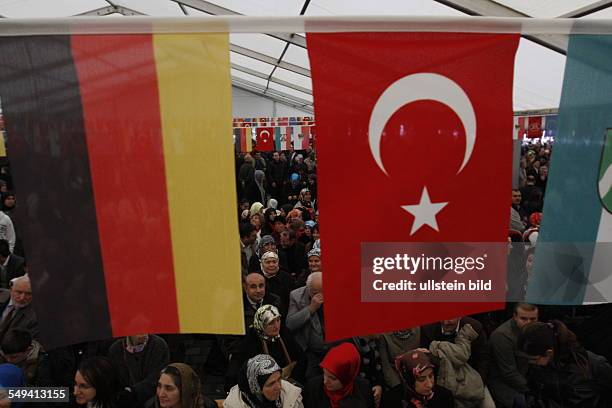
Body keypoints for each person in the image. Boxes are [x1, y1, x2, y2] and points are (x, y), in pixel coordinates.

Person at [517, 321, 612, 408]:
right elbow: (532, 392)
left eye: (533, 359)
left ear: (549, 353)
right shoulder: (538, 366)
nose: (529, 362)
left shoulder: (593, 364)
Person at [226, 305, 304, 389]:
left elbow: (301, 359)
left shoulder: (284, 334)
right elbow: (238, 372)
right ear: (261, 324)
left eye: (278, 320)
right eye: (271, 323)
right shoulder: (250, 342)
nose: (277, 326)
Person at [488, 303, 538, 408]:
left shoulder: (537, 329)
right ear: (515, 316)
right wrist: (534, 389)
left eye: (533, 319)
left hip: (525, 376)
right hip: (504, 383)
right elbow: (508, 373)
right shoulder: (502, 336)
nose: (528, 323)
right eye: (523, 318)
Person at [303, 342, 374, 408]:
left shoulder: (364, 388)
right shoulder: (312, 390)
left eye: (332, 378)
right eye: (324, 373)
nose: (325, 381)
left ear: (347, 377)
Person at [107, 334, 170, 407]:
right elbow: (114, 378)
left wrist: (133, 391)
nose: (143, 332)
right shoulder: (116, 349)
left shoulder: (159, 345)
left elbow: (158, 376)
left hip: (152, 397)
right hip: (124, 399)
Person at [381, 349, 454, 408]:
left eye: (431, 376)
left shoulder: (444, 397)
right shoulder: (391, 401)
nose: (429, 384)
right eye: (421, 379)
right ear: (409, 380)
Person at [224, 354, 303, 408]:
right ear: (256, 388)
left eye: (279, 379)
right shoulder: (234, 404)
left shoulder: (292, 396)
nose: (279, 387)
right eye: (271, 384)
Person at [286, 272, 325, 380]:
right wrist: (311, 308)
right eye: (316, 293)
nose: (321, 296)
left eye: (324, 291)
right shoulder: (296, 296)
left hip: (333, 347)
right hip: (310, 350)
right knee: (310, 378)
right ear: (308, 289)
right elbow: (290, 324)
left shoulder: (335, 291)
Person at [151, 363, 216, 408]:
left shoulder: (207, 405)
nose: (161, 394)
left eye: (169, 388)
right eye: (159, 386)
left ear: (185, 389)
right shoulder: (151, 406)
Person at [0, 276, 39, 342]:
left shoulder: (35, 317)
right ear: (11, 289)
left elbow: (30, 344)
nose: (22, 297)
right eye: (19, 292)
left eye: (28, 294)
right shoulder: (2, 295)